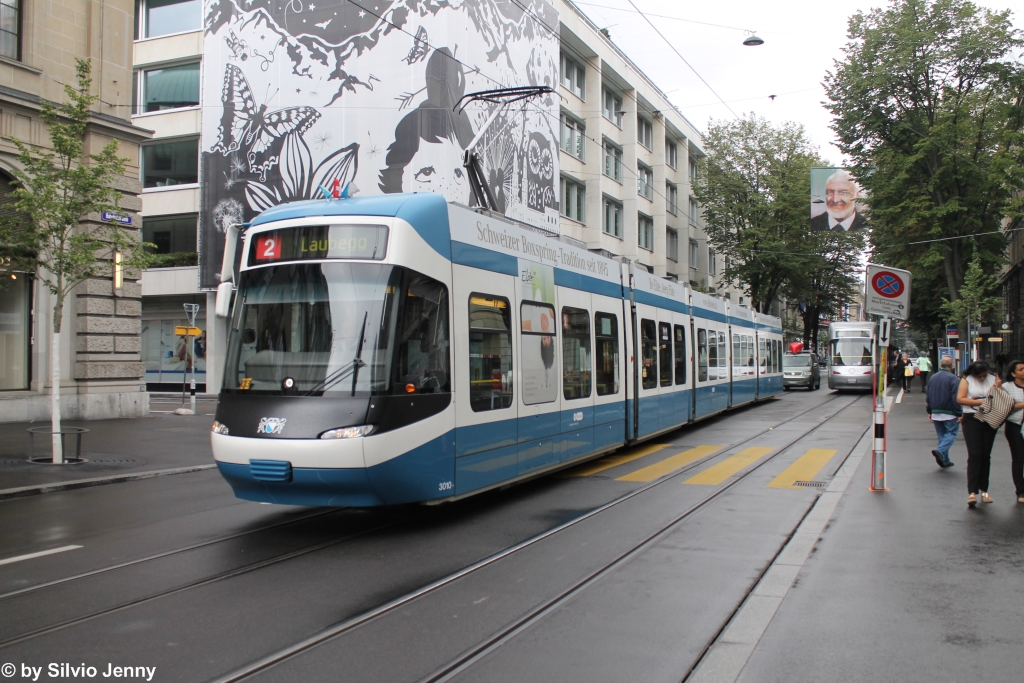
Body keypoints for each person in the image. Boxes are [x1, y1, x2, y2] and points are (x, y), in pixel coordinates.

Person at [957, 361, 1000, 507]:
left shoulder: (994, 378)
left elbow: (999, 397)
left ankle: (984, 491)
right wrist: (982, 402)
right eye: (979, 376)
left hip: (989, 417)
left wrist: (996, 388)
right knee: (975, 454)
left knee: (985, 455)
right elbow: (960, 398)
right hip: (971, 418)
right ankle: (972, 492)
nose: (982, 378)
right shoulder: (966, 379)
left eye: (984, 376)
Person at [926, 356, 961, 468]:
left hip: (935, 411)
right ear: (952, 366)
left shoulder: (933, 377)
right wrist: (959, 412)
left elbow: (928, 395)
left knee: (941, 435)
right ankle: (940, 451)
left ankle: (945, 460)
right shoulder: (953, 378)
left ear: (941, 365)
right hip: (949, 411)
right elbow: (955, 397)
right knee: (951, 433)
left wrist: (930, 410)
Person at [1000, 360, 1024, 504]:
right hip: (1015, 425)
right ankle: (1020, 491)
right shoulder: (1006, 387)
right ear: (1013, 373)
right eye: (1021, 369)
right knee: (1019, 458)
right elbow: (1007, 407)